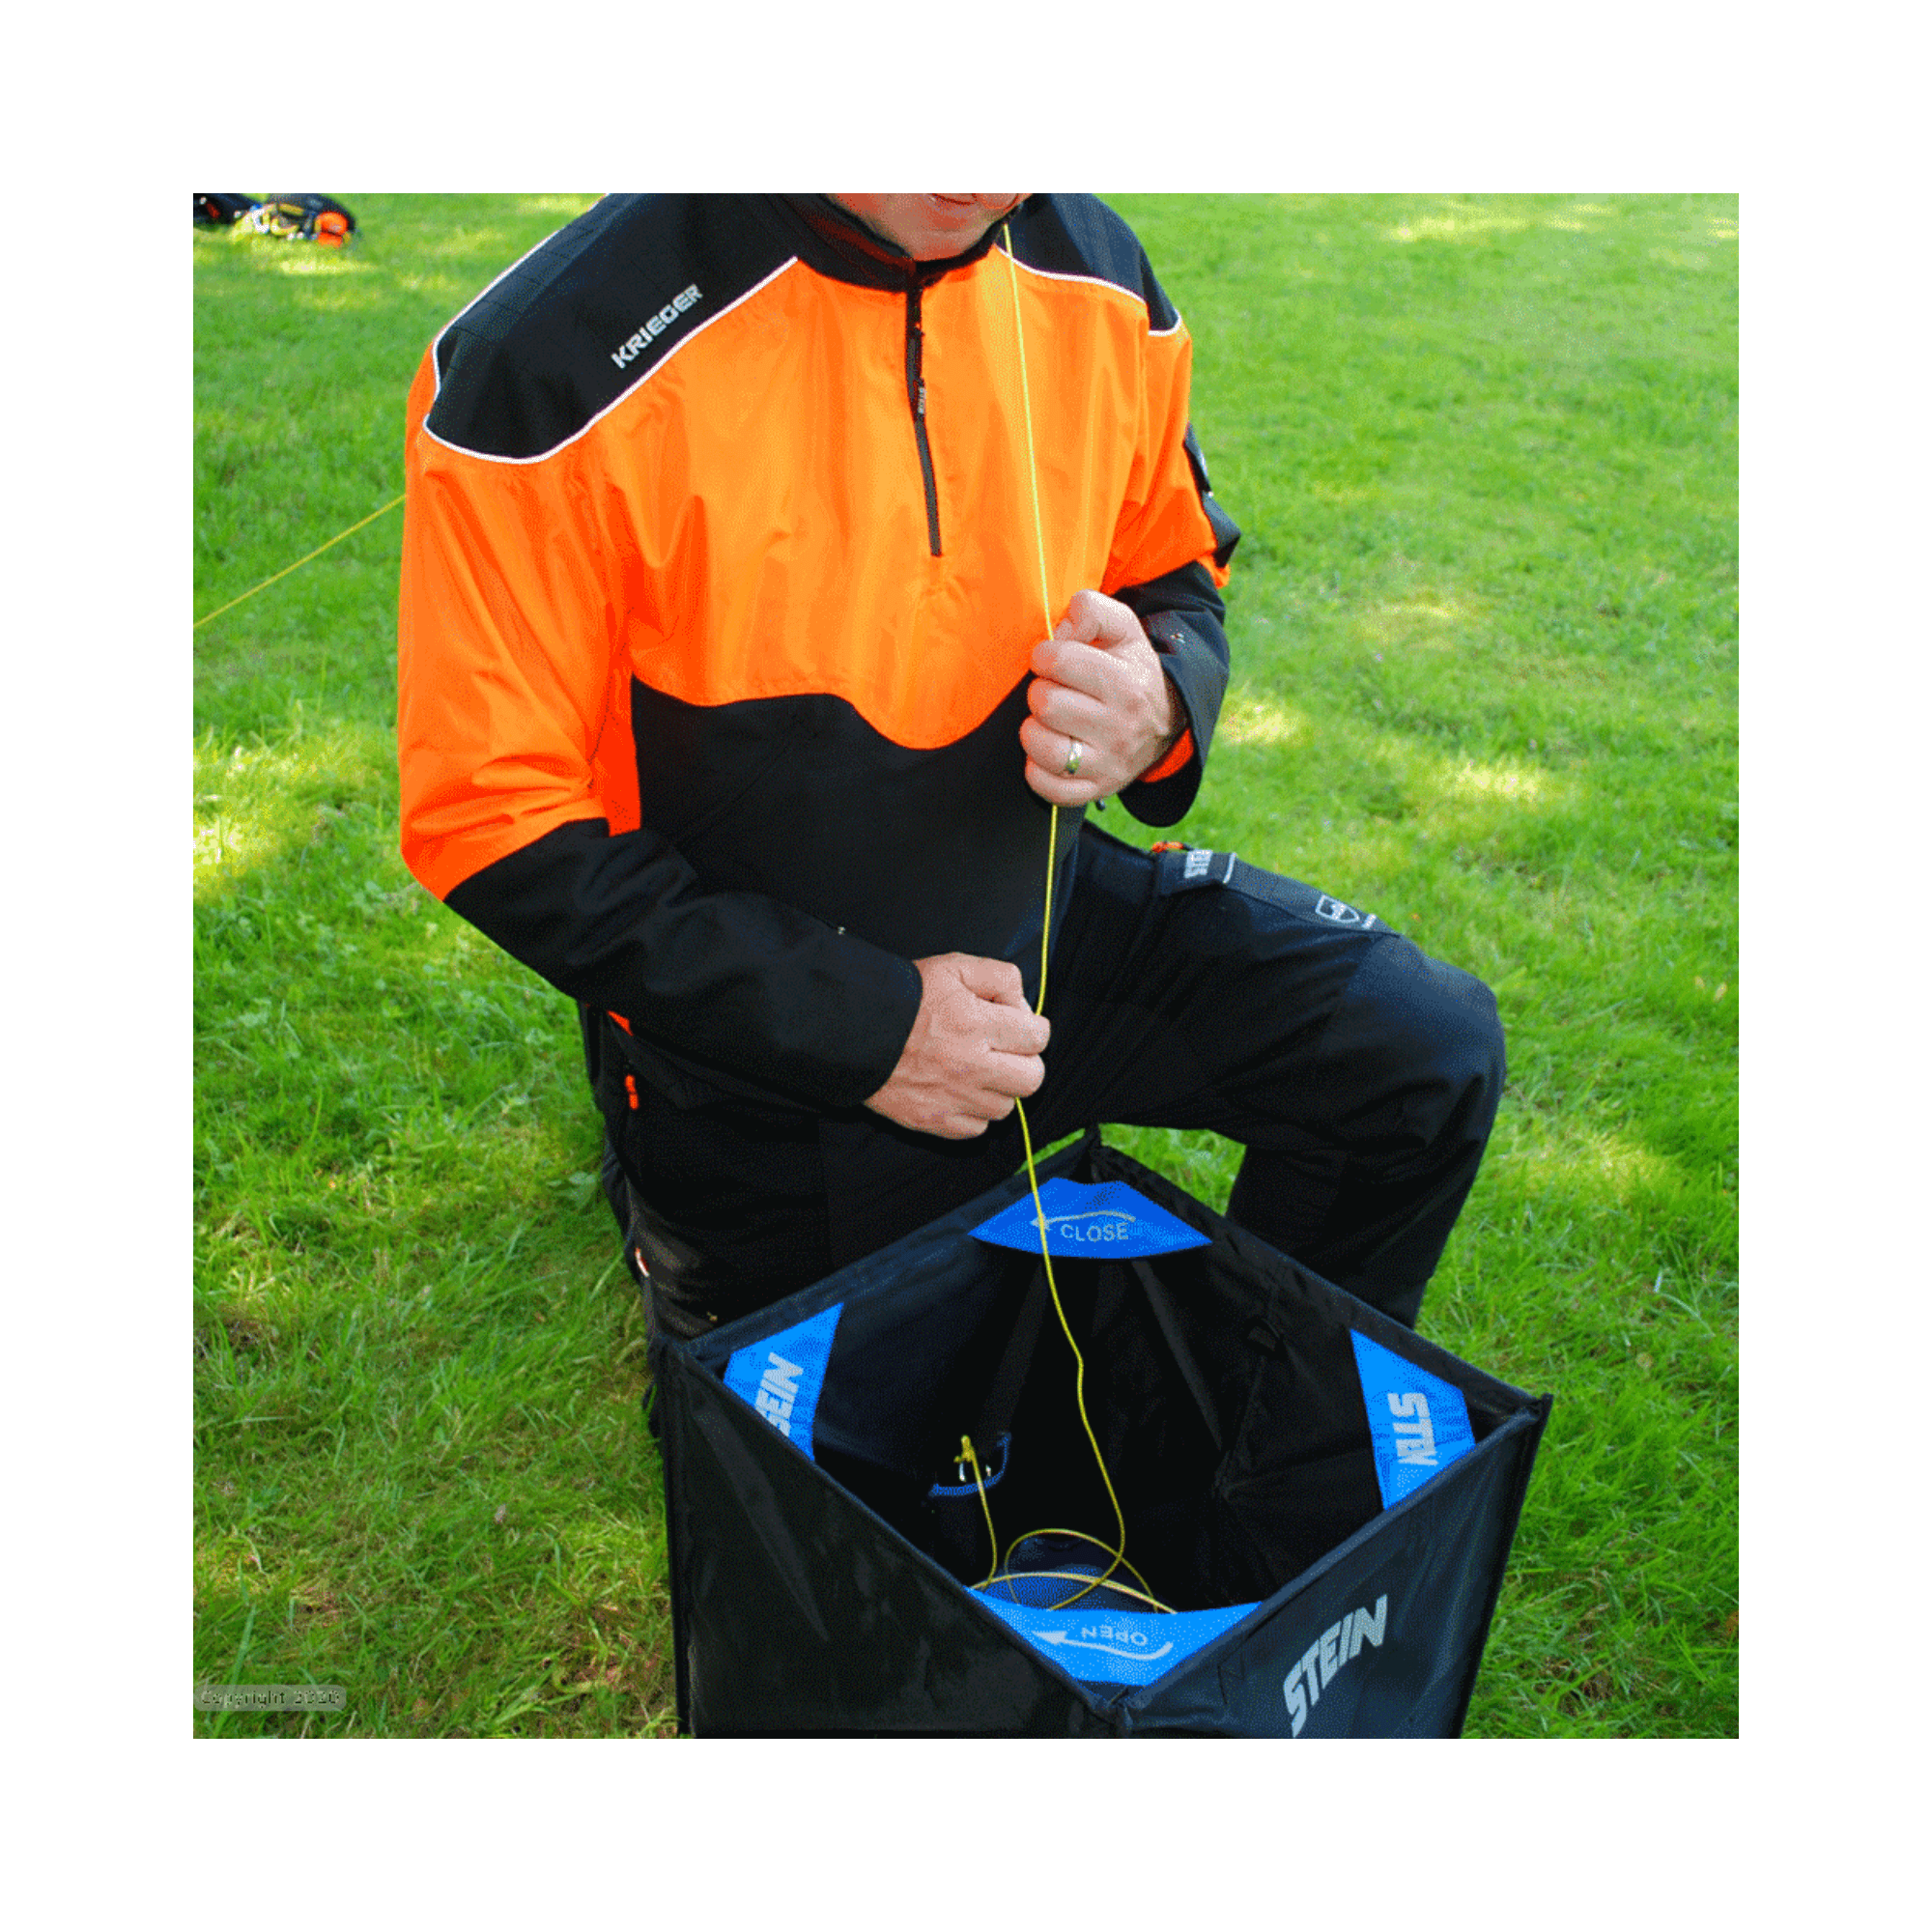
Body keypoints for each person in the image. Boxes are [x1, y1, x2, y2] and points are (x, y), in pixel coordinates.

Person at [397, 193, 1504, 1342]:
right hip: (756, 1057)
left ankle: (1267, 1427)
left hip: (1042, 932)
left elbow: (1170, 564)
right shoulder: (545, 357)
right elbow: (490, 814)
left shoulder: (1096, 265)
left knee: (1417, 1051)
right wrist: (863, 1028)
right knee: (848, 1482)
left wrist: (1160, 694)